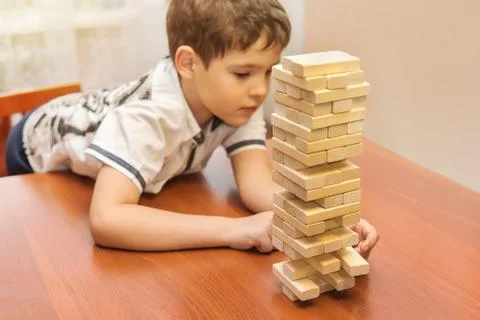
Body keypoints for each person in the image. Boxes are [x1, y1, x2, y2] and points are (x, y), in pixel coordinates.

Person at [6, 0, 378, 257]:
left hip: (95, 116)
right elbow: (108, 220)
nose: (261, 89)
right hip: (35, 144)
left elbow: (256, 185)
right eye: (243, 72)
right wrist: (236, 231)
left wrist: (328, 221)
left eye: (268, 70)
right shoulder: (147, 118)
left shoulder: (238, 101)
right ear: (188, 63)